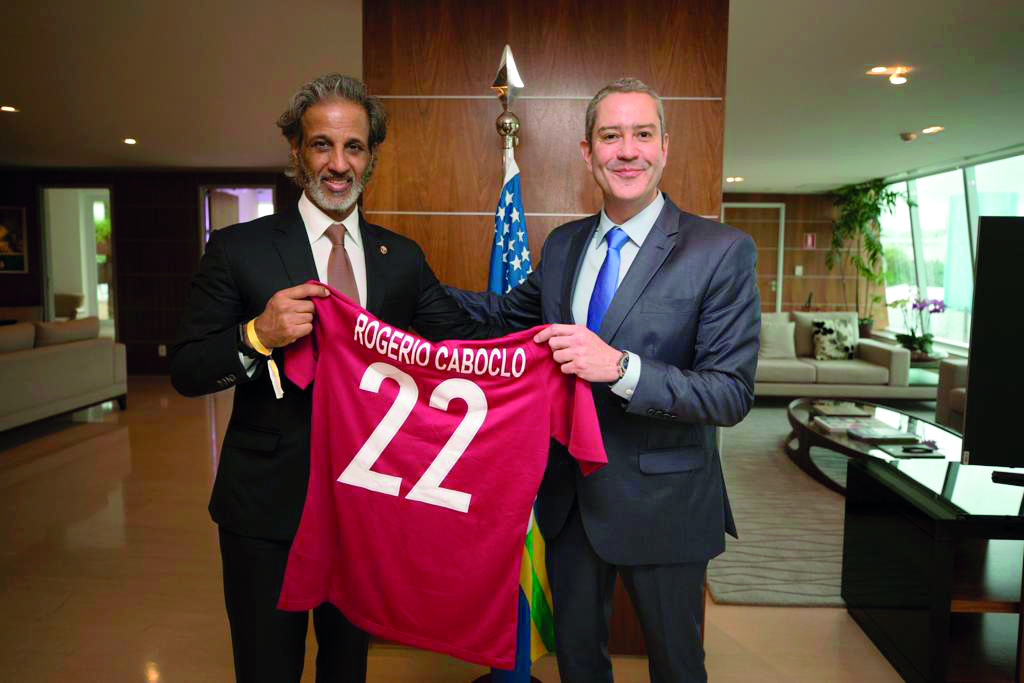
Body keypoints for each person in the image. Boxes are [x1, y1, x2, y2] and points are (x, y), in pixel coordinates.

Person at [170, 73, 500, 683]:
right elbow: (187, 368)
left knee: (347, 669)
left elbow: (458, 345)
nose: (338, 164)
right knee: (267, 668)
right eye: (322, 145)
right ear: (297, 151)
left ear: (372, 156)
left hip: (364, 513)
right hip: (267, 512)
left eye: (354, 147)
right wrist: (256, 335)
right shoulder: (239, 250)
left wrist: (547, 333)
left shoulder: (399, 258)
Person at [451, 78, 760, 682]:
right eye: (610, 136)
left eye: (642, 134)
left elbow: (730, 393)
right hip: (569, 503)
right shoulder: (564, 245)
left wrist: (620, 368)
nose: (627, 151)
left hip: (669, 504)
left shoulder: (720, 250)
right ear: (587, 153)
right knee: (577, 663)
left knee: (676, 667)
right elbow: (501, 319)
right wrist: (403, 289)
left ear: (665, 147)